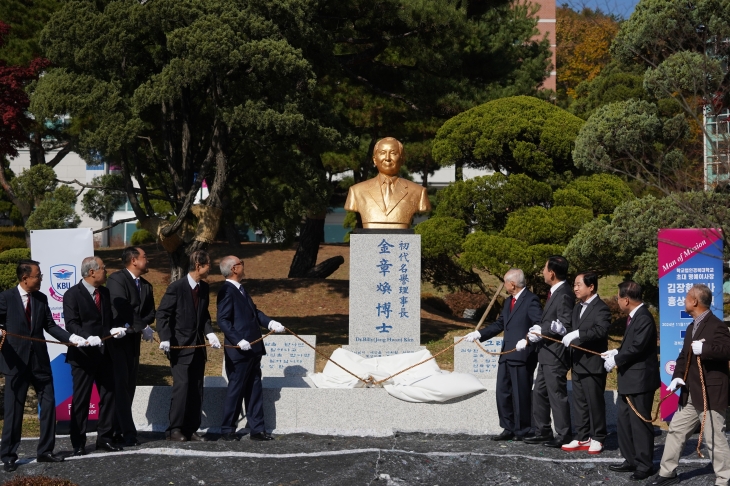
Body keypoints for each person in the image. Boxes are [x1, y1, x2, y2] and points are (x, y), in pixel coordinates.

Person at [0, 259, 87, 471]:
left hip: (39, 362)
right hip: (15, 363)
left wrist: (71, 338)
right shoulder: (5, 298)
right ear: (25, 278)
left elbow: (49, 325)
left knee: (48, 405)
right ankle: (9, 455)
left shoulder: (40, 298)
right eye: (38, 275)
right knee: (14, 410)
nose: (41, 278)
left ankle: (45, 451)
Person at [647, 284, 730, 486]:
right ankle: (668, 473)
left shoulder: (716, 325)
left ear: (695, 301)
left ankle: (724, 479)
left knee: (714, 438)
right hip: (691, 392)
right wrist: (677, 376)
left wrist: (706, 348)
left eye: (686, 298)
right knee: (676, 430)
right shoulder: (693, 326)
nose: (684, 301)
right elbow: (684, 356)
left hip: (710, 392)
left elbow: (727, 349)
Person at [465, 268, 542, 441]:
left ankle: (522, 430)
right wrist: (480, 334)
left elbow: (539, 324)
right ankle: (508, 427)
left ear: (512, 284)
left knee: (520, 393)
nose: (504, 285)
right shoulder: (508, 302)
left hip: (522, 354)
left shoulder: (531, 300)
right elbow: (500, 323)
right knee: (502, 392)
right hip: (506, 354)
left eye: (505, 282)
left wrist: (528, 339)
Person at [217, 255, 286, 441]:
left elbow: (254, 312)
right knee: (236, 389)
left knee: (255, 389)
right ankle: (227, 429)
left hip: (253, 348)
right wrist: (238, 339)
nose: (243, 266)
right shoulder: (226, 290)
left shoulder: (240, 289)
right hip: (240, 350)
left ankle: (257, 429)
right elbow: (222, 320)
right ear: (234, 269)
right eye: (241, 263)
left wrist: (270, 322)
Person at [156, 250, 220, 442]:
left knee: (196, 388)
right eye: (208, 264)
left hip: (198, 347)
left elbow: (204, 315)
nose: (211, 267)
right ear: (198, 266)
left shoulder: (204, 288)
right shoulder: (176, 287)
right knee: (181, 388)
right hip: (180, 347)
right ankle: (174, 429)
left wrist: (209, 333)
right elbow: (162, 315)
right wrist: (166, 337)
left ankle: (191, 428)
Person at [64, 256, 124, 456]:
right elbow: (71, 323)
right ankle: (78, 442)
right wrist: (87, 337)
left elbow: (105, 320)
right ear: (92, 272)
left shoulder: (104, 293)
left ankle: (104, 438)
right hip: (83, 354)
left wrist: (115, 330)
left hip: (105, 353)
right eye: (103, 268)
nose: (106, 271)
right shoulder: (72, 294)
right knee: (81, 399)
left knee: (109, 395)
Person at [602, 281, 659, 481]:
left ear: (626, 299)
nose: (617, 301)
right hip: (629, 379)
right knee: (624, 421)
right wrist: (616, 351)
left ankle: (645, 464)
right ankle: (630, 459)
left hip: (641, 380)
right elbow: (631, 345)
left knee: (640, 423)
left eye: (618, 298)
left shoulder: (643, 317)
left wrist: (616, 359)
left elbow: (638, 347)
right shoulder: (633, 317)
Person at [524, 256, 576, 448]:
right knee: (539, 392)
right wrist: (538, 330)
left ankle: (563, 433)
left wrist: (542, 332)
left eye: (544, 269)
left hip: (556, 353)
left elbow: (564, 325)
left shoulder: (563, 294)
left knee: (556, 393)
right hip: (546, 352)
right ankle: (543, 430)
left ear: (552, 273)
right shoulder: (554, 292)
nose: (542, 272)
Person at [556, 271, 611, 454]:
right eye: (574, 285)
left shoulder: (601, 308)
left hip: (593, 363)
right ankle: (582, 436)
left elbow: (600, 331)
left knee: (594, 402)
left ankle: (598, 437)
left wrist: (578, 334)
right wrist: (562, 329)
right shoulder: (577, 308)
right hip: (577, 362)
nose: (575, 288)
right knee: (580, 402)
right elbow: (572, 329)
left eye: (579, 284)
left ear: (591, 286)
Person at [106, 246, 156, 447]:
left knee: (130, 385)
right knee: (120, 387)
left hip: (133, 340)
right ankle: (127, 433)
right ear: (134, 260)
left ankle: (120, 430)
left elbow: (151, 312)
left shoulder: (146, 285)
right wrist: (140, 325)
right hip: (117, 341)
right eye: (145, 256)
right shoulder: (117, 279)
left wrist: (141, 326)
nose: (148, 260)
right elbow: (122, 306)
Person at [344, 137, 431, 229]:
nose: (387, 158)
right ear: (374, 159)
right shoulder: (356, 191)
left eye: (393, 153)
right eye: (382, 153)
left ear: (402, 159)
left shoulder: (418, 191)